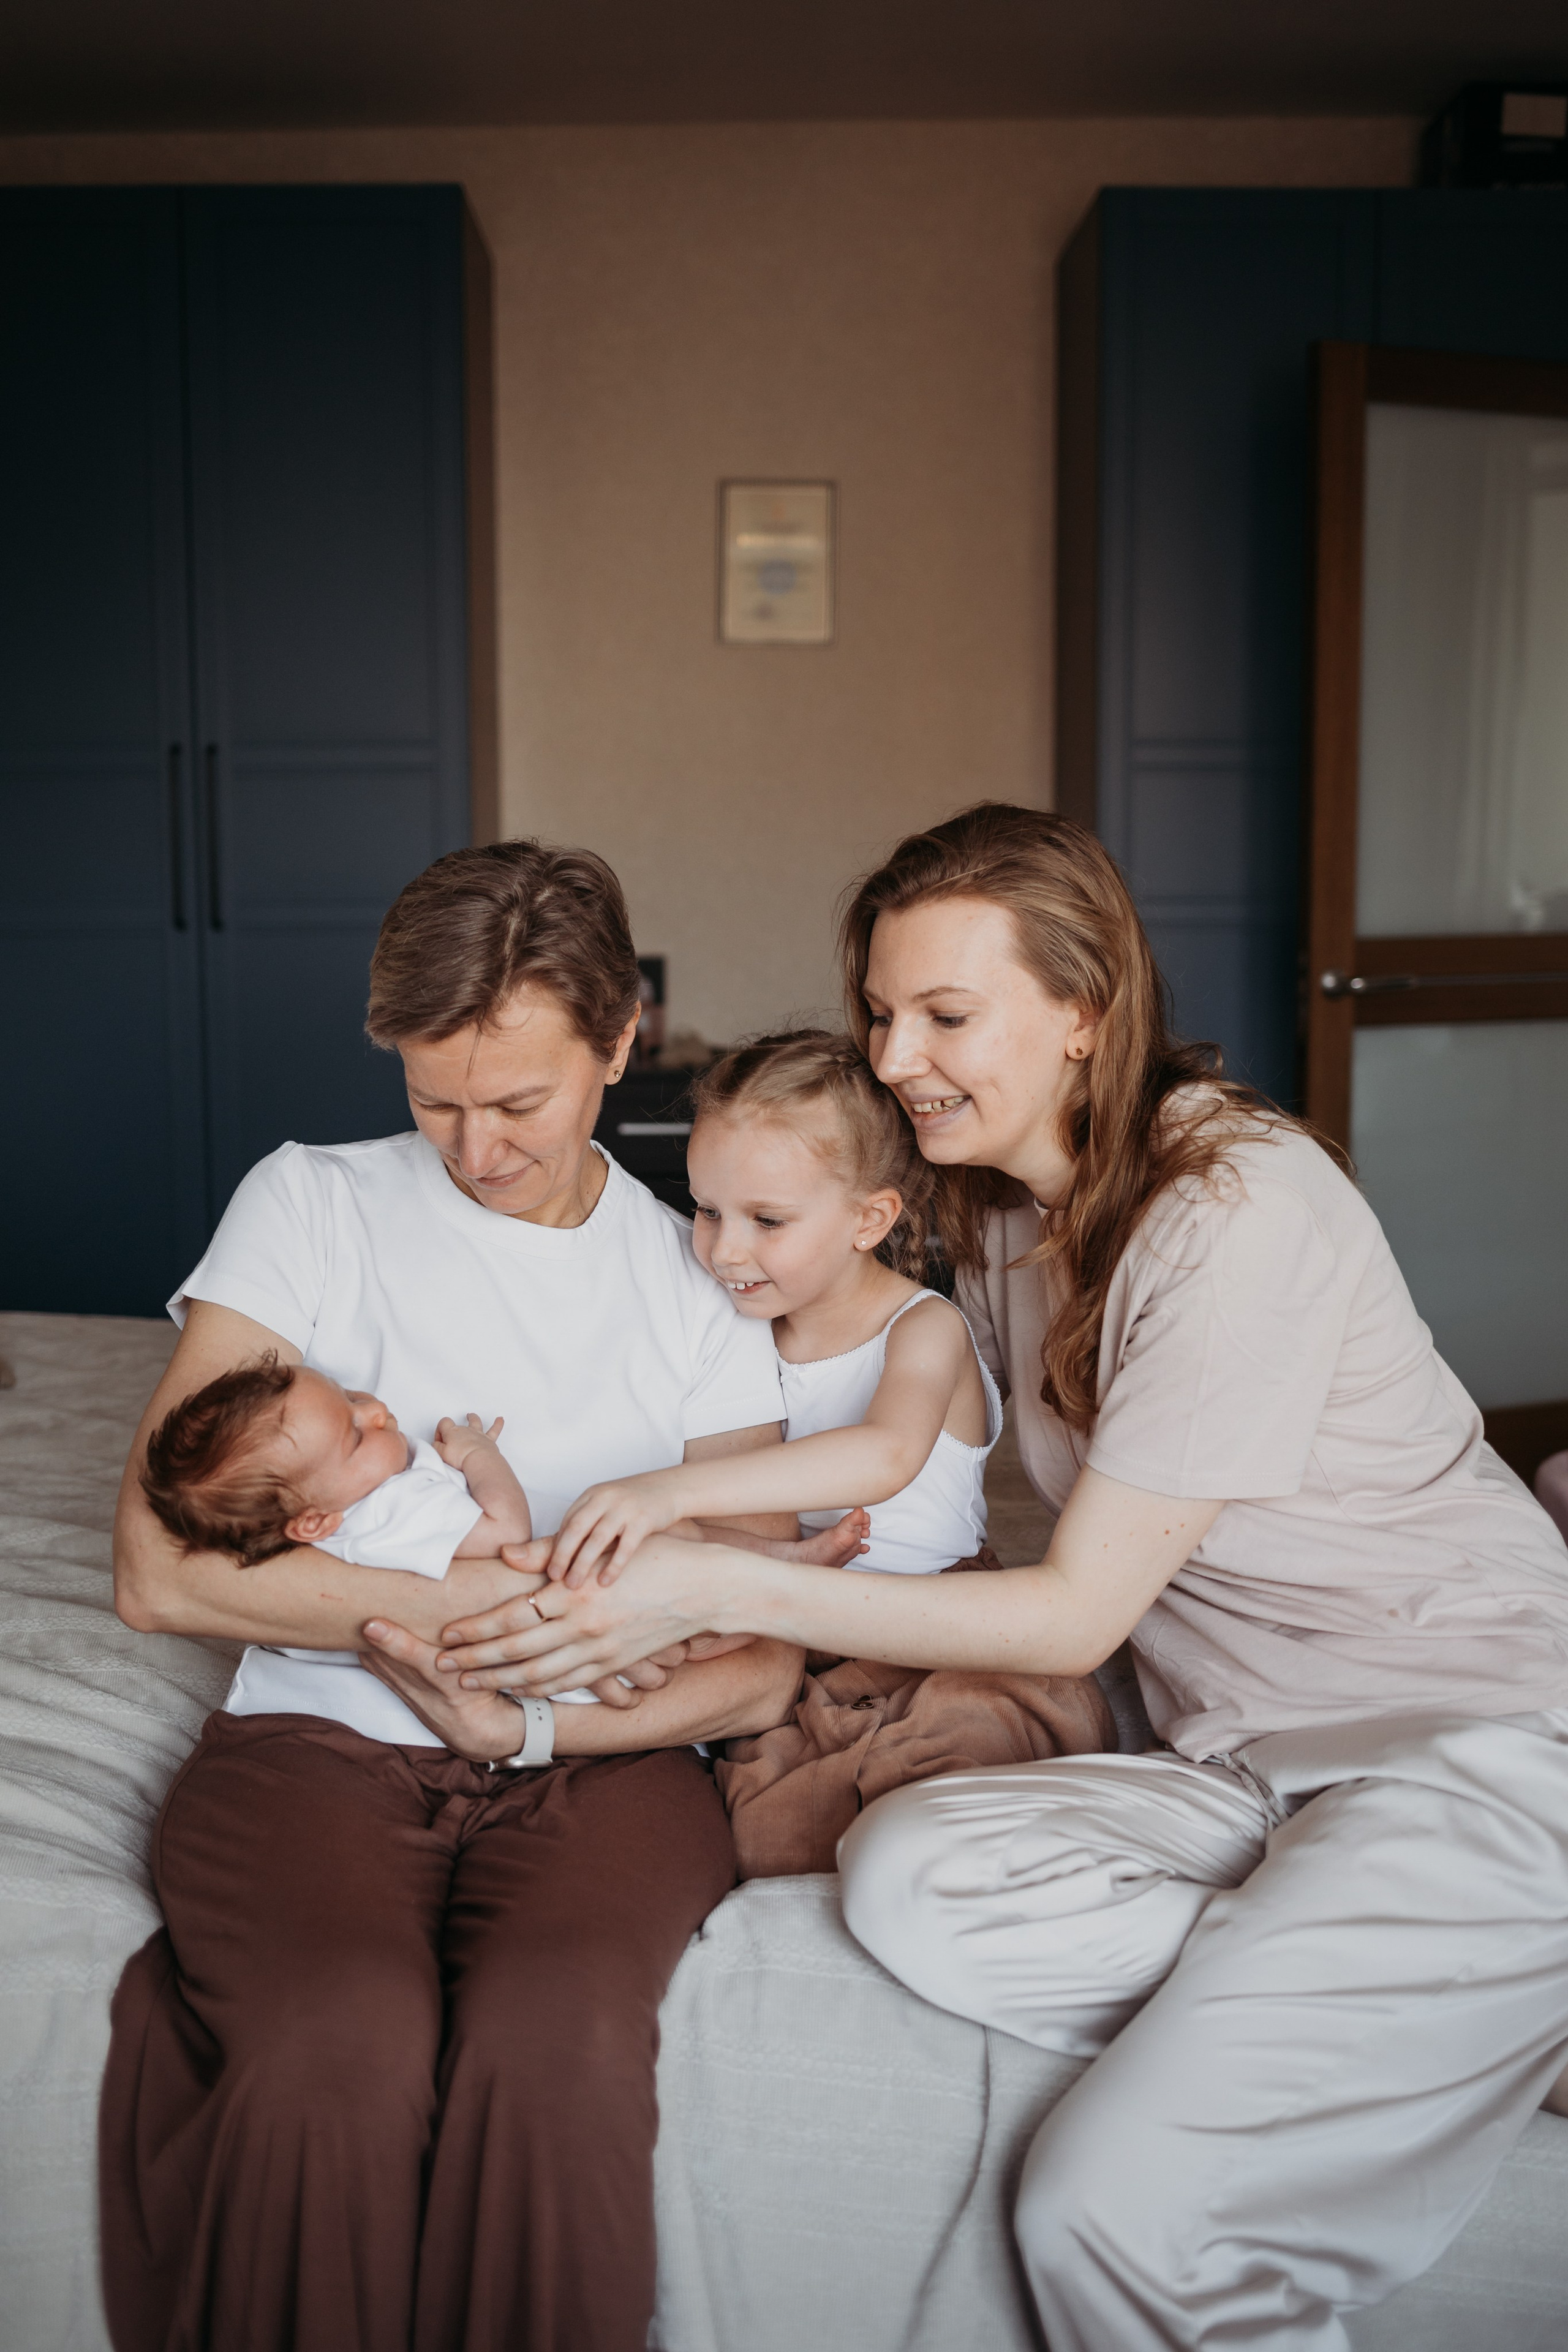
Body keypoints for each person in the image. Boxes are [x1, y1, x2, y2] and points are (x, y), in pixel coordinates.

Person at [443, 804, 1568, 2352]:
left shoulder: (1235, 1210)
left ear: (1084, 1013)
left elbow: (1070, 1613)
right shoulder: (1002, 1217)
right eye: (883, 1012)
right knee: (909, 1874)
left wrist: (713, 1581)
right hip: (1238, 1759)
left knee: (1112, 2213)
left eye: (946, 1015)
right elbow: (855, 1407)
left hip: (1459, 1746)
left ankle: (1482, 1964)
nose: (898, 1056)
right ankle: (1463, 2004)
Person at [100, 838, 808, 2352]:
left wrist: (540, 1721)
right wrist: (473, 1595)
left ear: (620, 1041)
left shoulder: (705, 1288)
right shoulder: (310, 1204)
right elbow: (161, 1568)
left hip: (601, 1771)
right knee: (327, 2042)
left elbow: (754, 1664)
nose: (470, 1150)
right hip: (315, 1749)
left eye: (517, 1105)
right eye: (433, 1101)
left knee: (552, 2048)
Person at [548, 1026, 1001, 1585]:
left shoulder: (926, 1327)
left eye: (767, 1220)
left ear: (870, 1221)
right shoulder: (736, 1319)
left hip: (923, 1608)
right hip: (791, 1594)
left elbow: (887, 1454)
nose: (725, 1252)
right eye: (708, 1210)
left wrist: (664, 1492)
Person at [140, 1360, 532, 1568]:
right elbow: (507, 1536)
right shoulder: (395, 1508)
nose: (376, 1410)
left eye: (347, 1396)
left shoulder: (349, 1504)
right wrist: (479, 1455)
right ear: (313, 1522)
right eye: (357, 1436)